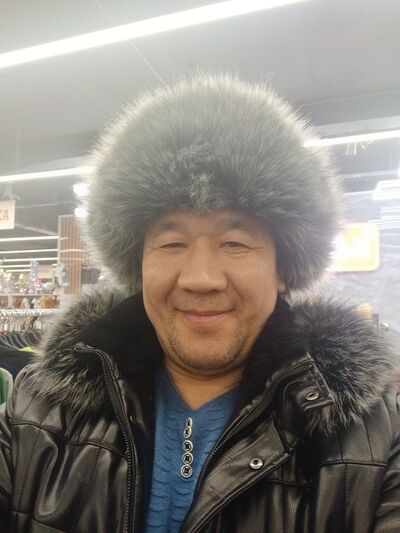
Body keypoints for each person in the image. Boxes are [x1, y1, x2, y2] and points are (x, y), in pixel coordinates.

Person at [0, 73, 399, 533]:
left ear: (283, 268)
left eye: (234, 243)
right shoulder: (39, 411)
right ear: (138, 265)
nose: (201, 279)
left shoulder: (372, 441)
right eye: (171, 243)